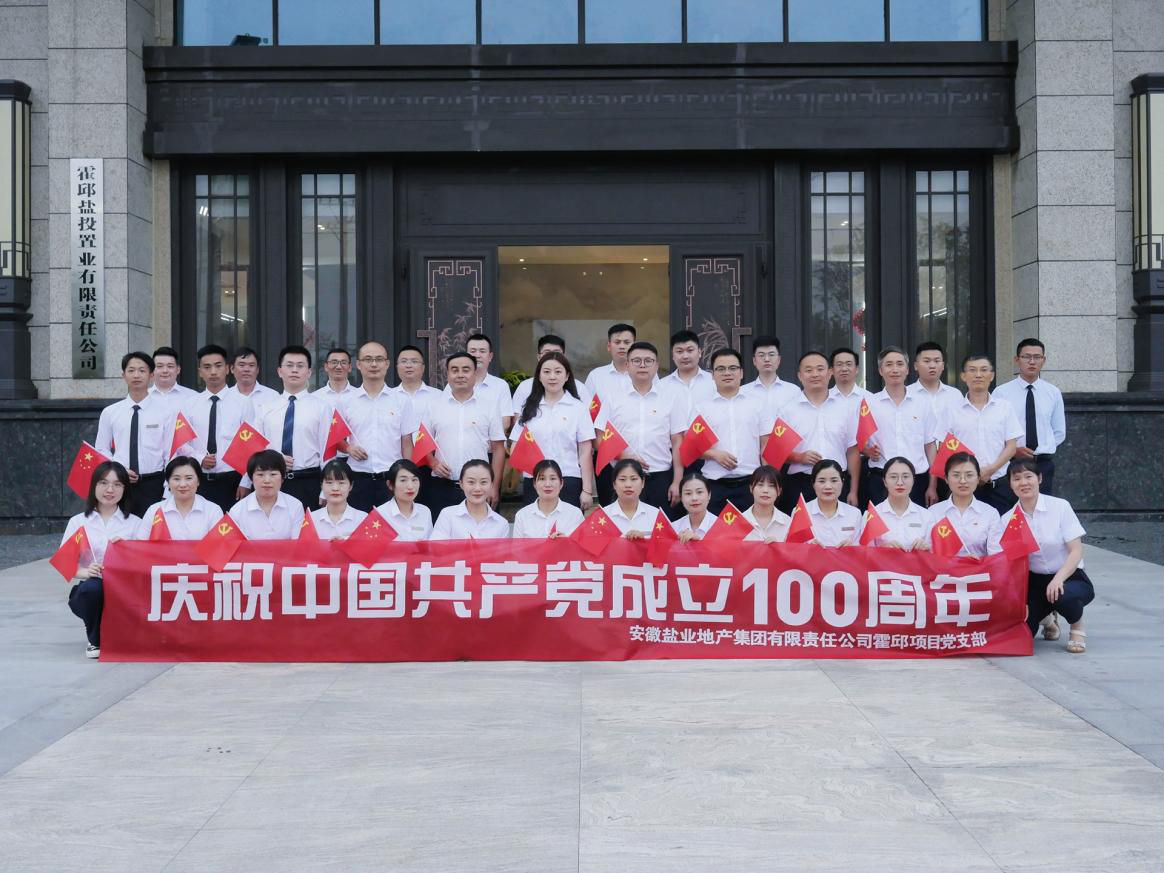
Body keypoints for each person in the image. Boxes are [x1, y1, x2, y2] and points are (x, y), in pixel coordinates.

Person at [988, 458, 1092, 653]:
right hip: (1034, 582)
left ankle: (1077, 625)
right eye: (1017, 479)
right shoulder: (1008, 520)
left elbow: (1076, 550)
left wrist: (1058, 579)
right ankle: (1046, 618)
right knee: (1022, 635)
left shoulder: (1060, 507)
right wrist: (1018, 600)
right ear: (1010, 484)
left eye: (1029, 476)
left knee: (1063, 596)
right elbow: (1009, 564)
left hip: (1068, 576)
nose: (1023, 483)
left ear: (1040, 478)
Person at [593, 341, 685, 513]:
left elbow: (678, 441)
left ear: (656, 365)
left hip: (660, 478)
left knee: (659, 528)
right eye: (636, 361)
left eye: (648, 361)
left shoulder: (670, 398)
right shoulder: (613, 398)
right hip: (623, 478)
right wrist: (623, 454)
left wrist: (677, 481)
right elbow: (598, 439)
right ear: (627, 365)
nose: (642, 365)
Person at [60, 461, 140, 658]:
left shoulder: (135, 523)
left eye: (117, 484)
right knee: (92, 589)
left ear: (125, 489)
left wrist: (128, 551)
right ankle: (95, 640)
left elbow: (144, 563)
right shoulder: (78, 522)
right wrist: (86, 572)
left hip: (125, 590)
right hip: (92, 589)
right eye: (103, 483)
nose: (110, 490)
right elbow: (65, 564)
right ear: (94, 485)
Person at [925, 354, 1023, 513]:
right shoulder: (951, 409)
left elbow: (1011, 447)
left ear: (992, 376)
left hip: (998, 484)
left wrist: (990, 470)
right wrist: (969, 474)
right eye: (972, 370)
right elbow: (944, 448)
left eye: (984, 370)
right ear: (963, 376)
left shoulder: (1005, 408)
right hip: (963, 486)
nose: (978, 375)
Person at [420, 352, 507, 516]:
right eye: (455, 370)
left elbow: (498, 449)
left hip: (479, 488)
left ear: (475, 374)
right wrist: (433, 463)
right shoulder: (433, 406)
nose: (460, 375)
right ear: (448, 375)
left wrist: (494, 487)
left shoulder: (489, 406)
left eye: (466, 370)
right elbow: (422, 443)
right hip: (442, 485)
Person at [337, 341, 418, 511]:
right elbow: (336, 440)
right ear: (358, 364)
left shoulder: (402, 400)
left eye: (379, 359)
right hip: (357, 479)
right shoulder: (345, 401)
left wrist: (408, 477)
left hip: (391, 480)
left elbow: (407, 442)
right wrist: (349, 448)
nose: (374, 364)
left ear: (387, 364)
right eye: (368, 359)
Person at [776, 351, 859, 514]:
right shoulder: (787, 411)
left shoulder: (845, 409)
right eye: (808, 370)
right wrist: (799, 457)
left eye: (820, 369)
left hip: (837, 483)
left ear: (829, 373)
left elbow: (852, 450)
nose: (815, 374)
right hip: (801, 483)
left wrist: (853, 490)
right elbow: (777, 452)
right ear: (800, 376)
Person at [510, 351, 595, 509]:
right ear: (539, 376)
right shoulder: (529, 408)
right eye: (547, 372)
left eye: (558, 372)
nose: (552, 377)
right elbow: (515, 445)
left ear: (567, 376)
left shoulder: (578, 408)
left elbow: (585, 452)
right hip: (536, 480)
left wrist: (587, 490)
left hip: (568, 479)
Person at [691, 348, 771, 515]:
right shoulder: (701, 407)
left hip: (750, 484)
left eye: (732, 368)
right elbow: (690, 447)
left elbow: (766, 445)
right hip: (714, 484)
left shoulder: (757, 404)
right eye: (721, 369)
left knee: (753, 531)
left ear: (741, 373)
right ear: (712, 375)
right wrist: (714, 455)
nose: (727, 373)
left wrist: (768, 479)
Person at [253, 345, 333, 507]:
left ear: (309, 373)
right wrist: (275, 459)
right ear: (279, 371)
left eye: (300, 366)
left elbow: (328, 451)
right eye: (289, 365)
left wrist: (326, 489)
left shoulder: (322, 407)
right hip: (272, 481)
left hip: (309, 481)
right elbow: (255, 446)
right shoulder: (265, 408)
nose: (294, 370)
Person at [95, 351, 173, 518]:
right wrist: (119, 469)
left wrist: (168, 488)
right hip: (120, 483)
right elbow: (101, 449)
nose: (136, 375)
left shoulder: (166, 412)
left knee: (152, 530)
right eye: (131, 370)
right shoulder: (110, 412)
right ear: (123, 375)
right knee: (121, 528)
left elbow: (170, 453)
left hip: (153, 483)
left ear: (151, 375)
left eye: (142, 370)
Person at [178, 343, 255, 511]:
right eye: (207, 367)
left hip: (233, 479)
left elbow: (250, 445)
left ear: (227, 369)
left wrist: (246, 481)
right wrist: (200, 458)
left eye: (218, 366)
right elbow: (182, 443)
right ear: (200, 372)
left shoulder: (243, 403)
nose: (213, 372)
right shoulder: (189, 404)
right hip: (198, 479)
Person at [863, 346, 937, 506]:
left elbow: (930, 446)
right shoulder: (869, 403)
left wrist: (932, 485)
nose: (895, 369)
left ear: (907, 369)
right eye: (889, 365)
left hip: (917, 480)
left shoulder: (922, 403)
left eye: (899, 364)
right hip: (881, 479)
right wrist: (866, 451)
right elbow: (858, 443)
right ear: (880, 370)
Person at [992, 338, 1065, 497]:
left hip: (1042, 463)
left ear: (1043, 360)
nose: (1032, 362)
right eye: (1026, 357)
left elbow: (1059, 431)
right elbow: (995, 431)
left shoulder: (1053, 392)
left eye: (1037, 357)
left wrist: (1042, 449)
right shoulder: (1001, 392)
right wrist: (1013, 450)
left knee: (1041, 507)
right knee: (1010, 508)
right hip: (1010, 462)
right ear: (1017, 360)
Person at [393, 345, 442, 509]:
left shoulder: (438, 396)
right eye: (404, 361)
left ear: (423, 367)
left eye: (414, 361)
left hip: (432, 464)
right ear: (396, 366)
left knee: (429, 510)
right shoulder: (389, 397)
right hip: (399, 463)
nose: (409, 365)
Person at [926, 452, 1000, 557]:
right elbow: (929, 554)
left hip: (978, 567)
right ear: (946, 479)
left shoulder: (990, 514)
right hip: (943, 567)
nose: (963, 481)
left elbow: (996, 556)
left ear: (978, 478)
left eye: (969, 475)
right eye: (956, 475)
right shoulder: (933, 512)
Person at [136, 456, 223, 540]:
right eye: (176, 479)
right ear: (168, 482)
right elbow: (141, 545)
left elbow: (219, 546)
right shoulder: (154, 510)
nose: (182, 484)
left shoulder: (213, 511)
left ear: (198, 481)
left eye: (189, 478)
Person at [229, 450, 305, 540]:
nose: (267, 480)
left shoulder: (295, 506)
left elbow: (298, 544)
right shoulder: (237, 511)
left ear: (282, 478)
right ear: (251, 478)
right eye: (260, 475)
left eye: (273, 474)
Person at [511, 335, 593, 414]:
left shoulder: (579, 388)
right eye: (547, 353)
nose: (552, 357)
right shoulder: (525, 387)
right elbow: (517, 418)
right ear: (538, 357)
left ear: (564, 357)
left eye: (557, 353)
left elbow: (589, 416)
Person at [431, 459, 511, 539]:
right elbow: (436, 545)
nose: (477, 488)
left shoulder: (501, 524)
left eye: (483, 482)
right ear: (461, 484)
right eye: (471, 482)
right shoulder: (447, 515)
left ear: (491, 485)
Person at [868, 457, 932, 550]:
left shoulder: (927, 516)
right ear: (885, 481)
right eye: (893, 477)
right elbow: (864, 554)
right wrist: (882, 550)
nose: (900, 482)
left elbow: (935, 554)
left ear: (913, 480)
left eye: (905, 477)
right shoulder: (872, 515)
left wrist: (927, 549)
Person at [511, 459, 585, 538]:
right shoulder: (522, 516)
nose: (547, 484)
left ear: (561, 483)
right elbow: (517, 546)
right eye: (542, 479)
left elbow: (584, 544)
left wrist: (566, 542)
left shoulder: (575, 514)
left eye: (553, 478)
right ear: (534, 484)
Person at [803, 459, 863, 547]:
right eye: (822, 481)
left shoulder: (854, 514)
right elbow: (793, 548)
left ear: (842, 482)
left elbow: (861, 549)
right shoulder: (801, 512)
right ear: (813, 484)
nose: (828, 486)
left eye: (834, 481)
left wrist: (852, 547)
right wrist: (807, 547)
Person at [661, 330, 716, 421]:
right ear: (673, 356)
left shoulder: (714, 381)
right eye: (679, 351)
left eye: (690, 350)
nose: (685, 356)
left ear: (699, 352)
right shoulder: (662, 386)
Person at [743, 335, 800, 421]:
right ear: (754, 361)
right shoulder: (743, 392)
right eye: (761, 355)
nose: (767, 359)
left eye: (771, 354)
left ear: (779, 359)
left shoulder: (793, 391)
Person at [465, 333, 514, 432]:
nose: (477, 355)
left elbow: (505, 422)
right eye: (473, 351)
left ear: (490, 356)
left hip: (491, 441)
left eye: (482, 351)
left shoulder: (500, 386)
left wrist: (482, 436)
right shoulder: (454, 385)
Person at [309, 458, 367, 539]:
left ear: (351, 486)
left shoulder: (363, 519)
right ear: (321, 485)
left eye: (341, 483)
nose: (335, 488)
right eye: (329, 482)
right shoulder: (311, 519)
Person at [377, 459, 433, 541]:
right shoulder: (380, 514)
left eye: (414, 480)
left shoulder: (425, 511)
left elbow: (430, 545)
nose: (410, 486)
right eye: (403, 480)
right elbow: (370, 547)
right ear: (390, 484)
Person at [907, 341, 963, 421]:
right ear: (916, 366)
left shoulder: (955, 395)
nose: (932, 366)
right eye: (927, 361)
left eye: (937, 361)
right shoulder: (906, 394)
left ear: (943, 366)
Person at [584, 323, 638, 405]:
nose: (622, 346)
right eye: (617, 342)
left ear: (635, 346)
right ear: (609, 346)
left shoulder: (645, 373)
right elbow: (587, 407)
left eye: (627, 342)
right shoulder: (595, 376)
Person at [603, 459, 659, 539]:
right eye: (622, 479)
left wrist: (644, 541)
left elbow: (663, 545)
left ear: (643, 483)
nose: (628, 485)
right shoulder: (603, 516)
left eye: (634, 479)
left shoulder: (656, 515)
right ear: (614, 484)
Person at [742, 465, 792, 542]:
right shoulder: (739, 522)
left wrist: (779, 547)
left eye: (771, 486)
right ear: (751, 488)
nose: (765, 490)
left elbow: (794, 549)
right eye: (760, 485)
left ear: (779, 491)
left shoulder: (789, 523)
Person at [149, 346, 198, 415]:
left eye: (170, 366)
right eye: (160, 366)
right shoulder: (142, 397)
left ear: (178, 370)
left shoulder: (193, 397)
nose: (165, 371)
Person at [671, 471, 716, 542]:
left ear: (709, 495)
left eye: (699, 492)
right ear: (681, 498)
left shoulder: (721, 526)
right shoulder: (673, 528)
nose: (694, 498)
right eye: (688, 493)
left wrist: (697, 541)